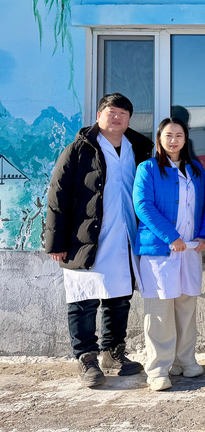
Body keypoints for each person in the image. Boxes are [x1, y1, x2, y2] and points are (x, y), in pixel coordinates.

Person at [45, 93, 153, 387]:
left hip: (125, 233)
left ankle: (113, 352)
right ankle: (86, 357)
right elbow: (58, 194)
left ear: (129, 119)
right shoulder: (79, 150)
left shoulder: (139, 148)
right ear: (98, 115)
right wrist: (56, 242)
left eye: (122, 113)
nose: (116, 117)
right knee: (83, 299)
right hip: (85, 237)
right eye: (110, 111)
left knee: (119, 298)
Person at [133, 118, 205, 391]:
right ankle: (158, 369)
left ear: (185, 139)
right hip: (160, 250)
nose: (173, 140)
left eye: (179, 135)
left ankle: (185, 360)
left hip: (189, 250)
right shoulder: (148, 168)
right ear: (159, 139)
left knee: (186, 306)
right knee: (160, 310)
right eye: (168, 135)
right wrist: (171, 237)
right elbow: (143, 205)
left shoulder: (195, 169)